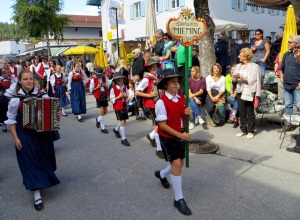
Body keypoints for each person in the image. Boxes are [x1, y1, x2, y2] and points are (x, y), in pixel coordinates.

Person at [5, 69, 61, 211]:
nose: (29, 81)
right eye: (25, 79)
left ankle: (42, 180)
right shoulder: (16, 99)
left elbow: (52, 116)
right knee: (29, 161)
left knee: (42, 159)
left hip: (42, 134)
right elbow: (11, 121)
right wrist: (16, 138)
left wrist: (57, 115)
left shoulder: (43, 95)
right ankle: (36, 193)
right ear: (20, 81)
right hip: (24, 133)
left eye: (30, 78)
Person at [154, 68, 193, 216]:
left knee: (180, 163)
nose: (177, 85)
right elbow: (162, 125)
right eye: (173, 83)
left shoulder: (182, 98)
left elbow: (185, 119)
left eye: (177, 82)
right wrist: (180, 136)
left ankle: (162, 174)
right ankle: (178, 199)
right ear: (165, 86)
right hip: (168, 137)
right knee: (177, 164)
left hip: (180, 135)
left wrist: (188, 115)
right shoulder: (161, 103)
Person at [135, 58, 164, 159]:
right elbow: (137, 92)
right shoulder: (146, 79)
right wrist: (149, 95)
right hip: (151, 104)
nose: (154, 68)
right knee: (157, 125)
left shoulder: (159, 77)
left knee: (161, 123)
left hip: (159, 103)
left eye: (155, 66)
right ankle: (159, 148)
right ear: (148, 68)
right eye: (152, 67)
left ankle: (151, 136)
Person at [234, 48, 261, 139]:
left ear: (245, 57)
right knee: (241, 111)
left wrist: (241, 77)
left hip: (249, 90)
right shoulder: (238, 66)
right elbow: (234, 79)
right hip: (240, 90)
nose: (238, 57)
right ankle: (243, 129)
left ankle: (250, 130)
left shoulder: (254, 66)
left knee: (249, 111)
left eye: (240, 55)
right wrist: (235, 78)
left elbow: (254, 80)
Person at [278, 36, 300, 137]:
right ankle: (289, 124)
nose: (288, 44)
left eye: (290, 42)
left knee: (299, 106)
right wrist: (282, 77)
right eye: (288, 42)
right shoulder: (286, 54)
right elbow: (282, 68)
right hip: (287, 84)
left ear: (297, 44)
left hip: (297, 86)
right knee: (288, 105)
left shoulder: (299, 55)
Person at [110, 72, 131, 146]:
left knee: (124, 120)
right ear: (116, 81)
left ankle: (116, 130)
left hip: (124, 106)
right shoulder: (113, 89)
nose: (120, 81)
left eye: (121, 79)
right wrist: (118, 97)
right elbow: (111, 99)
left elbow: (128, 95)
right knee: (122, 121)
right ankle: (123, 139)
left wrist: (125, 96)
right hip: (118, 107)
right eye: (118, 80)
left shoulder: (125, 87)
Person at [89, 66, 109, 134]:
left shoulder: (104, 77)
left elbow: (108, 86)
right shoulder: (93, 79)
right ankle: (102, 127)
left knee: (105, 111)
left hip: (104, 94)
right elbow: (91, 90)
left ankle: (98, 119)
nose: (100, 76)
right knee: (102, 110)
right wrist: (97, 87)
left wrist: (105, 85)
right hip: (98, 95)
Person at [0, 66, 15, 132]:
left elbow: (15, 84)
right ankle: (3, 122)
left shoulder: (11, 79)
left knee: (12, 107)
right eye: (3, 73)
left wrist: (12, 78)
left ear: (8, 73)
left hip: (10, 93)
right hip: (2, 93)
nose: (4, 75)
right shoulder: (0, 79)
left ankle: (12, 122)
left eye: (6, 73)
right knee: (2, 107)